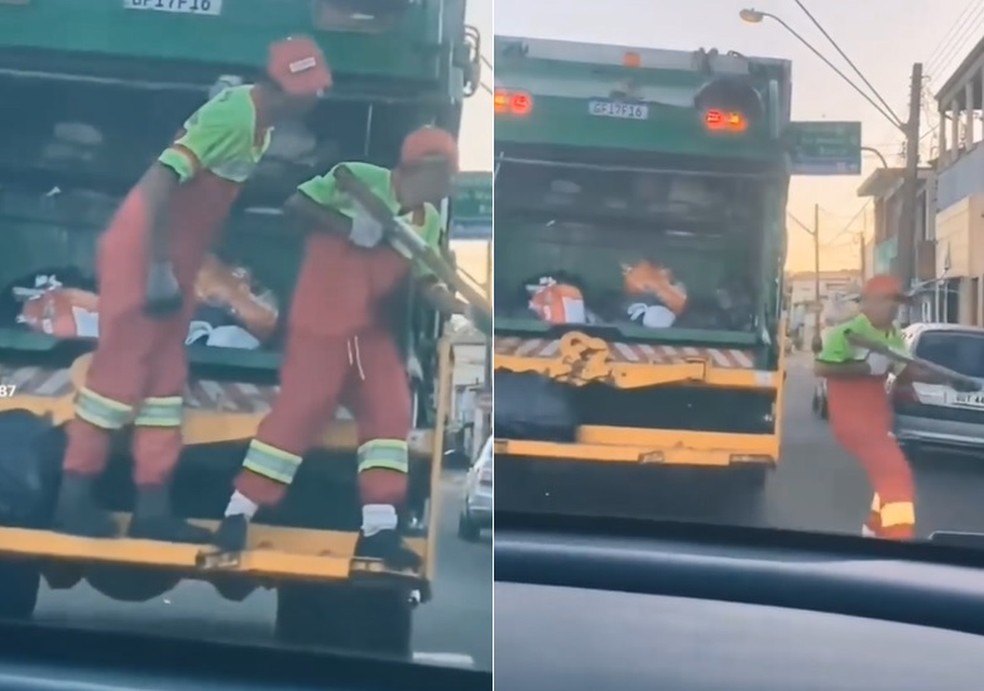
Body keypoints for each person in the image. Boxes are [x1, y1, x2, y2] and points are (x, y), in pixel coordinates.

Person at [53, 37, 332, 543]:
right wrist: (158, 266)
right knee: (116, 380)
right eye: (311, 90)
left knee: (163, 383)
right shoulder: (235, 118)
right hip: (143, 253)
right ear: (286, 88)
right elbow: (160, 183)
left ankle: (153, 509)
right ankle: (72, 499)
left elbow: (206, 204)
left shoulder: (258, 126)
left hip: (174, 258)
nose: (316, 100)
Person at [212, 127, 465, 569]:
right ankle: (238, 514)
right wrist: (350, 226)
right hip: (321, 325)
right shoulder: (359, 180)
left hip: (369, 334)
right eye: (446, 175)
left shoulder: (428, 221)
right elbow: (295, 207)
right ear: (420, 169)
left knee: (389, 416)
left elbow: (426, 279)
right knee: (302, 411)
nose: (451, 185)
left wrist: (454, 303)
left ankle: (380, 529)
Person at [814, 274, 925, 539]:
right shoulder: (847, 333)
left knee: (887, 474)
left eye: (898, 303)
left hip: (876, 420)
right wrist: (866, 367)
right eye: (890, 301)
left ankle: (874, 530)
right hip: (853, 420)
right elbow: (821, 367)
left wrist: (950, 381)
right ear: (871, 302)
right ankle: (897, 541)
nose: (895, 308)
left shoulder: (893, 335)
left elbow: (905, 371)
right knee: (896, 476)